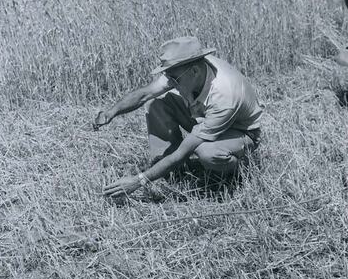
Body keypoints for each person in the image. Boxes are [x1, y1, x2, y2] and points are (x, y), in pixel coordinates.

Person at [94, 36, 263, 199]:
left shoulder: (224, 94)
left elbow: (184, 151)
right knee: (156, 102)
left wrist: (138, 181)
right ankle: (169, 168)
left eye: (174, 80)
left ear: (195, 71)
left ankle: (237, 173)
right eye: (169, 78)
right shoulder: (186, 70)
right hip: (206, 118)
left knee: (206, 152)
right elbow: (146, 94)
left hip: (240, 132)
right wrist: (112, 112)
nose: (171, 83)